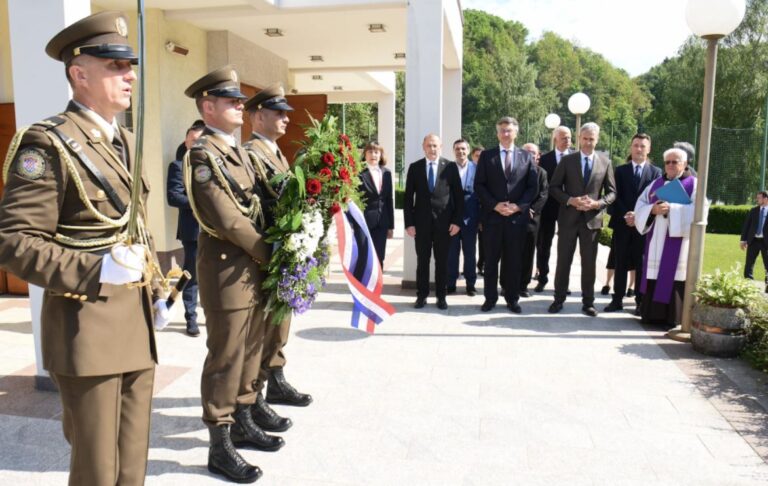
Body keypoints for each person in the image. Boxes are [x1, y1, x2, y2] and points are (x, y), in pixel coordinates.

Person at [0, 12, 166, 485]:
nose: (129, 75)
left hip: (136, 321)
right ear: (79, 73)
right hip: (86, 326)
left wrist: (155, 291)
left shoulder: (126, 142)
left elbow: (135, 228)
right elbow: (14, 242)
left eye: (130, 65)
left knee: (132, 464)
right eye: (116, 65)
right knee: (98, 468)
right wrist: (97, 271)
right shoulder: (48, 142)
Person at [185, 67, 282, 484]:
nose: (242, 106)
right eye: (232, 101)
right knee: (226, 355)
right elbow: (226, 217)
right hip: (228, 268)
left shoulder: (240, 152)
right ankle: (219, 442)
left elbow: (268, 195)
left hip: (253, 267)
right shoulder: (202, 154)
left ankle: (243, 415)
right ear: (208, 107)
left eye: (242, 101)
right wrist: (270, 251)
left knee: (252, 345)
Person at [243, 83, 314, 416]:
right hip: (266, 248)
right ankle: (253, 391)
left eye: (286, 114)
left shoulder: (277, 151)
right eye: (279, 113)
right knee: (264, 323)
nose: (286, 119)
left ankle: (276, 375)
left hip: (284, 247)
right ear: (258, 116)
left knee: (280, 318)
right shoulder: (251, 153)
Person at [548, 122, 616, 316]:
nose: (588, 142)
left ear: (597, 140)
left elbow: (612, 193)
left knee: (589, 264)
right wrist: (570, 200)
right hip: (568, 220)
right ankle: (558, 300)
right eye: (585, 138)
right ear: (579, 139)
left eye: (591, 139)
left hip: (591, 221)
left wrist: (597, 204)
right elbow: (553, 188)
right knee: (563, 262)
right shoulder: (567, 160)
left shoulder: (605, 162)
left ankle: (588, 303)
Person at [474, 117, 538, 313]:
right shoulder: (487, 156)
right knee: (491, 261)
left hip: (516, 220)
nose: (505, 133)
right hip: (492, 219)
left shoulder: (526, 157)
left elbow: (532, 187)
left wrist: (518, 207)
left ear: (516, 133)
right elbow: (479, 185)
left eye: (509, 130)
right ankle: (490, 299)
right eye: (502, 130)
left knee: (513, 262)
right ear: (497, 133)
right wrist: (494, 205)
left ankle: (512, 299)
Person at [634, 147, 699, 328]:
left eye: (675, 162)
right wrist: (652, 210)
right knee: (655, 275)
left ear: (684, 164)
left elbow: (700, 212)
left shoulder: (694, 185)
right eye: (667, 162)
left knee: (675, 277)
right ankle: (651, 316)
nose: (670, 165)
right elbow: (640, 205)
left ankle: (672, 318)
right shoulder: (655, 185)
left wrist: (673, 209)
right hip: (656, 240)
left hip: (679, 242)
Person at [404, 134, 463, 310]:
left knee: (442, 262)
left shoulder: (450, 167)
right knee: (422, 261)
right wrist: (409, 223)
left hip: (444, 225)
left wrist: (457, 221)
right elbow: (408, 198)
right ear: (423, 147)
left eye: (435, 145)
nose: (432, 149)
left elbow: (459, 197)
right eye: (429, 145)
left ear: (441, 147)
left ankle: (441, 296)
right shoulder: (415, 168)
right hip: (421, 225)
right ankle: (421, 296)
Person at [604, 133, 662, 313]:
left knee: (641, 264)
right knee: (620, 262)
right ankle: (617, 300)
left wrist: (638, 216)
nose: (639, 149)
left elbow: (656, 199)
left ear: (649, 149)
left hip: (644, 227)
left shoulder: (656, 173)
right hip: (623, 224)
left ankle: (640, 301)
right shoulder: (620, 171)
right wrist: (627, 215)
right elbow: (614, 196)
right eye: (636, 145)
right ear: (631, 147)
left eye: (642, 146)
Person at [167, 119, 205, 336]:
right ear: (187, 141)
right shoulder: (178, 166)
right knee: (192, 276)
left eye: (202, 141)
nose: (197, 144)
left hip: (215, 231)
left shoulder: (214, 166)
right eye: (194, 140)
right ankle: (191, 318)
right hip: (192, 230)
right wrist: (202, 204)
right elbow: (174, 197)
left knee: (213, 277)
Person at [535, 126, 574, 292]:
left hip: (569, 208)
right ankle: (542, 277)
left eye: (570, 138)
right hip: (548, 209)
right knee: (544, 245)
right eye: (564, 137)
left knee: (567, 248)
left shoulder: (576, 157)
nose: (568, 141)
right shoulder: (545, 159)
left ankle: (563, 283)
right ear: (555, 139)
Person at [447, 138, 479, 296]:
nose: (460, 152)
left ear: (468, 150)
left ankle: (470, 284)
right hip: (452, 219)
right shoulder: (448, 168)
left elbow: (481, 195)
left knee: (470, 252)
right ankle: (451, 283)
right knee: (452, 252)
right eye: (457, 149)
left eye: (463, 149)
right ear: (454, 151)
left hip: (471, 218)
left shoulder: (477, 168)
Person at [517, 142, 548, 297]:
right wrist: (519, 208)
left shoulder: (541, 173)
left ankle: (523, 286)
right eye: (526, 152)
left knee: (528, 253)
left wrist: (532, 209)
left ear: (538, 156)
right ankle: (508, 284)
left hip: (531, 220)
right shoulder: (514, 171)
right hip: (514, 217)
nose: (530, 155)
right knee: (511, 253)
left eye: (533, 152)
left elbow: (543, 195)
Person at [358, 141, 395, 269]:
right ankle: (364, 286)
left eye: (376, 152)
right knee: (365, 254)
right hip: (365, 221)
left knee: (380, 255)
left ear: (380, 155)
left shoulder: (387, 173)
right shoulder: (359, 173)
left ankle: (377, 286)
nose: (373, 155)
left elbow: (389, 199)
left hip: (383, 221)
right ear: (365, 155)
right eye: (370, 152)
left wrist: (391, 226)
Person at [740, 191, 768, 292]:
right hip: (753, 241)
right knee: (749, 264)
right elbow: (747, 225)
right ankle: (748, 284)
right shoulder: (753, 210)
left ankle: (767, 285)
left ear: (765, 199)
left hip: (766, 243)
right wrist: (743, 240)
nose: (757, 200)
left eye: (759, 198)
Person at [472, 145, 486, 276]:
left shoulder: (488, 171)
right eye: (477, 156)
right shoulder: (469, 169)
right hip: (470, 212)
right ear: (472, 157)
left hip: (483, 213)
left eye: (482, 156)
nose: (479, 159)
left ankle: (481, 264)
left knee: (484, 241)